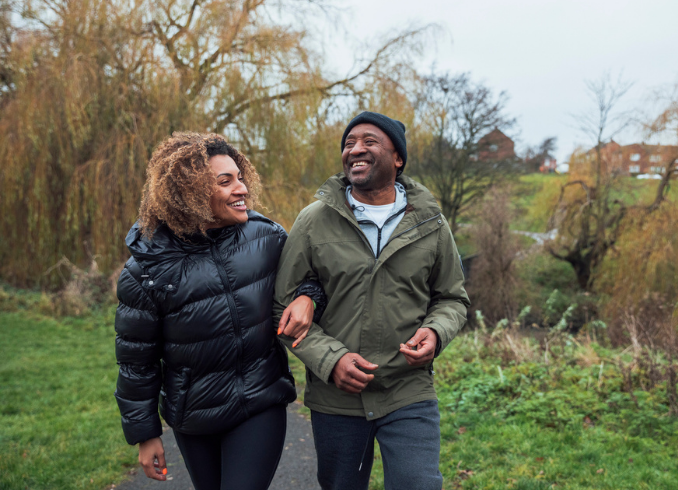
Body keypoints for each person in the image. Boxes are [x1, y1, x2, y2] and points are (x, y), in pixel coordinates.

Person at [114, 132, 323, 490]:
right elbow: (137, 360)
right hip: (193, 417)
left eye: (240, 177)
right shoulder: (146, 268)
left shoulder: (267, 237)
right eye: (225, 182)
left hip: (260, 401)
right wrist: (145, 434)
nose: (241, 188)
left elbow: (313, 274)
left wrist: (308, 296)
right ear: (188, 193)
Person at [274, 111, 470, 490]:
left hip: (408, 389)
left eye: (369, 141)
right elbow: (282, 307)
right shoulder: (314, 221)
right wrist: (330, 360)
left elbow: (452, 298)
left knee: (419, 484)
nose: (355, 150)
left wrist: (435, 332)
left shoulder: (431, 222)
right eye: (349, 143)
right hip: (337, 398)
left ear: (398, 158)